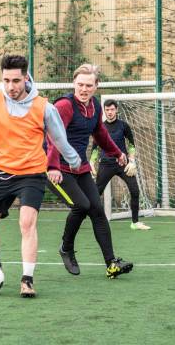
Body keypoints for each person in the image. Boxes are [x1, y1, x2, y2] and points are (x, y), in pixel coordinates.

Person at [0, 55, 81, 298]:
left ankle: (27, 280)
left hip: (31, 174)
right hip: (1, 173)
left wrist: (75, 161)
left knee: (26, 224)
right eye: (6, 80)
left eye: (16, 81)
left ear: (26, 78)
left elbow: (60, 139)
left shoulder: (44, 107)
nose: (11, 86)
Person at [47, 64, 133, 279]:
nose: (83, 89)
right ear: (73, 84)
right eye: (80, 85)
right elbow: (52, 136)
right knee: (81, 205)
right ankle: (66, 248)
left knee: (96, 209)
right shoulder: (65, 106)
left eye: (88, 85)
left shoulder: (94, 105)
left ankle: (111, 263)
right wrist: (53, 166)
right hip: (57, 168)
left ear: (96, 86)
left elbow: (100, 134)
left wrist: (117, 153)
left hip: (80, 167)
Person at [90, 99, 150, 230]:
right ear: (104, 111)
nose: (109, 112)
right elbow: (95, 148)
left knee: (135, 190)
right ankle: (86, 218)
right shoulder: (100, 127)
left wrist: (132, 161)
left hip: (123, 164)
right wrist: (91, 162)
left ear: (116, 110)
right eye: (107, 110)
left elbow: (131, 145)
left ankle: (135, 222)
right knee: (95, 193)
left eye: (112, 109)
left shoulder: (124, 126)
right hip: (105, 164)